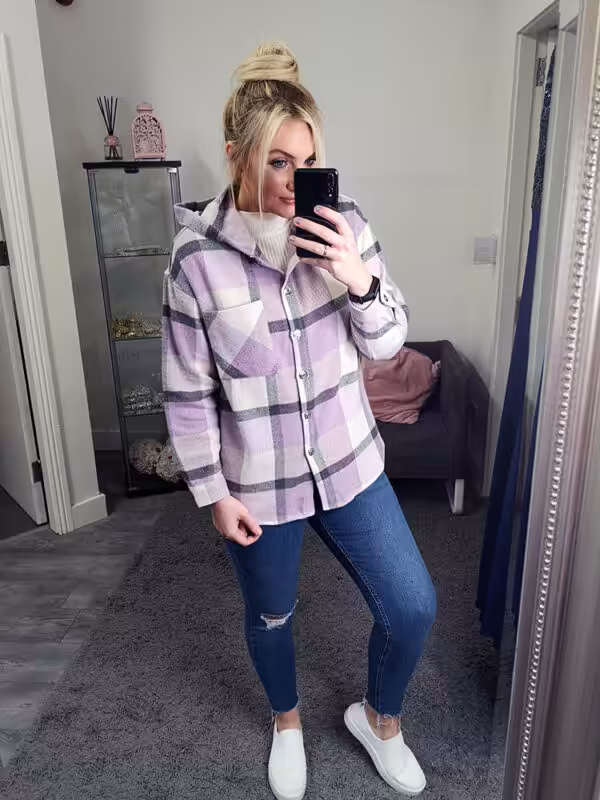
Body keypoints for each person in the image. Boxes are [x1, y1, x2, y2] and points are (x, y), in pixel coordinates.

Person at [162, 42, 436, 800]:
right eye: (277, 162)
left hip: (350, 464)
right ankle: (287, 722)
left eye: (307, 161)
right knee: (271, 616)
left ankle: (378, 720)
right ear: (235, 157)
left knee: (413, 605)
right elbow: (187, 391)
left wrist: (358, 278)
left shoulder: (344, 227)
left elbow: (388, 343)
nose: (294, 182)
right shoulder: (194, 259)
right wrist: (213, 493)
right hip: (260, 484)